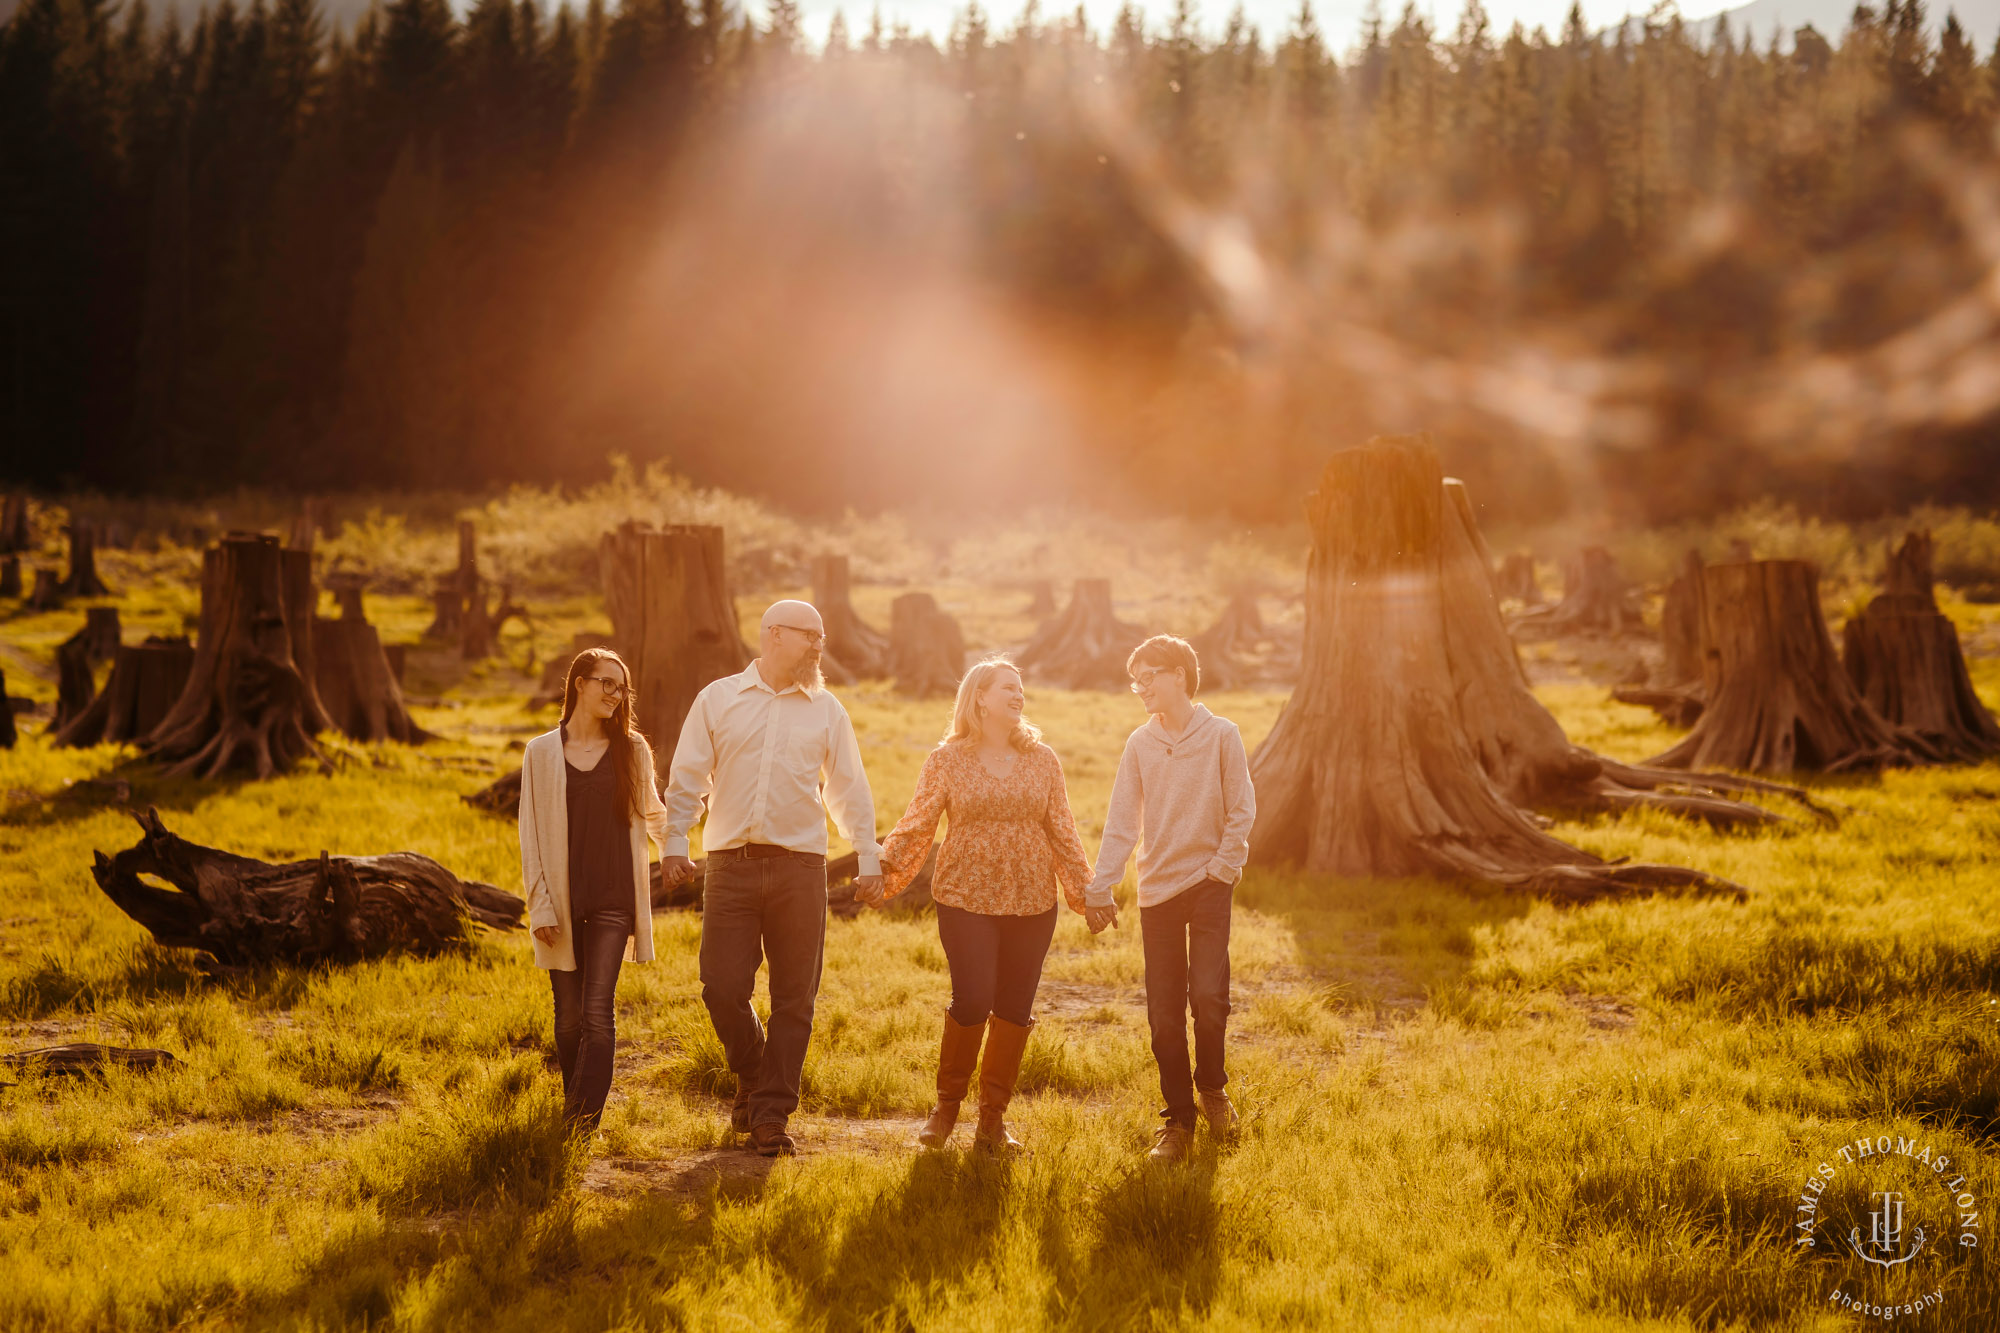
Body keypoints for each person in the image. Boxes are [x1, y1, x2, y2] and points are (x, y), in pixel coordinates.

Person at [660, 600, 883, 1157]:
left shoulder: (826, 710)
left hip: (800, 870)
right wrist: (674, 842)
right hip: (730, 867)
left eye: (822, 636)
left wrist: (869, 856)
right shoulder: (718, 698)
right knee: (722, 987)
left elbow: (848, 789)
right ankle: (756, 1074)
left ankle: (770, 1115)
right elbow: (687, 775)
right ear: (774, 635)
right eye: (810, 635)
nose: (818, 645)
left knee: (794, 998)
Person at [861, 655, 1093, 1154]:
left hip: (1032, 899)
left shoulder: (1043, 759)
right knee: (972, 998)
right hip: (965, 895)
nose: (1018, 694)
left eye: (1020, 687)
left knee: (1014, 1007)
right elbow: (918, 822)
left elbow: (1063, 831)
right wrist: (882, 869)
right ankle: (946, 1106)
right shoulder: (947, 760)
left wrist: (1086, 892)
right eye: (1006, 687)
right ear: (979, 698)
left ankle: (992, 1121)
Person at [1085, 634, 1256, 1164]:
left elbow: (1242, 809)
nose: (1141, 687)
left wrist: (1222, 869)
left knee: (1207, 997)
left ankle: (1213, 1089)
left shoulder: (1222, 735)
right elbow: (1121, 822)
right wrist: (1101, 884)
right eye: (1135, 679)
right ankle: (1178, 1121)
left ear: (1179, 673)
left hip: (1208, 885)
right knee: (1163, 1015)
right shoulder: (1140, 743)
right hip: (1157, 890)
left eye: (1149, 676)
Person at [519, 648, 672, 1135]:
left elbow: (654, 813)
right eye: (606, 683)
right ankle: (575, 1105)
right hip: (561, 902)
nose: (616, 694)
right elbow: (530, 836)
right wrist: (539, 904)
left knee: (596, 1012)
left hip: (613, 898)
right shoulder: (541, 753)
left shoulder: (632, 750)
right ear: (579, 684)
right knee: (566, 1021)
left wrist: (679, 844)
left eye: (621, 686)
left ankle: (578, 1127)